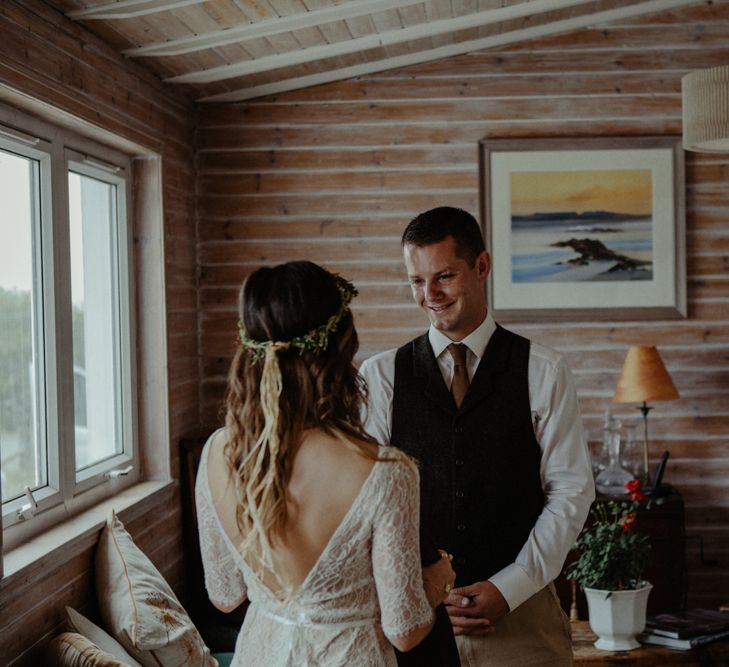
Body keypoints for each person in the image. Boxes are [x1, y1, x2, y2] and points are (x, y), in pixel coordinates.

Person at [359, 207, 595, 666]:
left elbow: (570, 492)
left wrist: (509, 588)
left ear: (482, 266)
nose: (430, 294)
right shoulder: (381, 376)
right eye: (416, 281)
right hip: (416, 626)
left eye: (444, 276)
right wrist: (421, 589)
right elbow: (368, 504)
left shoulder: (544, 371)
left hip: (524, 624)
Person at [195, 260, 456, 667]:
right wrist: (438, 580)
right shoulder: (386, 471)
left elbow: (226, 594)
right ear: (339, 348)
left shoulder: (218, 453)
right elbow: (405, 631)